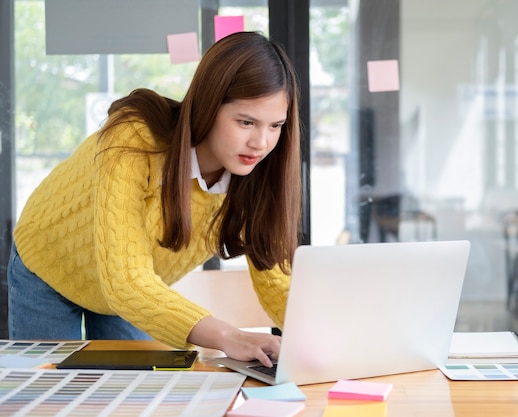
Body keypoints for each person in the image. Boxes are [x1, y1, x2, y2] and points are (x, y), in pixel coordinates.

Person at [8, 31, 301, 367]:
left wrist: (326, 344)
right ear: (209, 106)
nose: (261, 143)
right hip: (49, 263)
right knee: (49, 394)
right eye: (246, 122)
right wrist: (230, 337)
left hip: (126, 291)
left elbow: (277, 283)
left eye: (275, 125)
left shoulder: (254, 181)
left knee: (133, 393)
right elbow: (126, 282)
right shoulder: (134, 137)